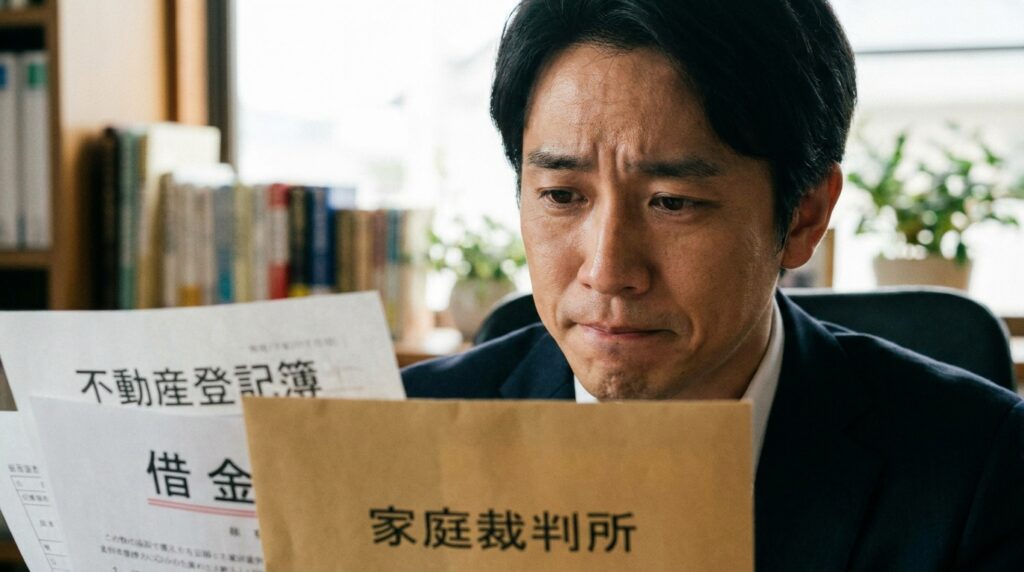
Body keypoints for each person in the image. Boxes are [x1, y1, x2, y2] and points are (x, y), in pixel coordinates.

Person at [402, 0, 1024, 569]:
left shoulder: (981, 471)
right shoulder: (396, 432)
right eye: (562, 196)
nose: (608, 270)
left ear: (804, 215)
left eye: (673, 203)